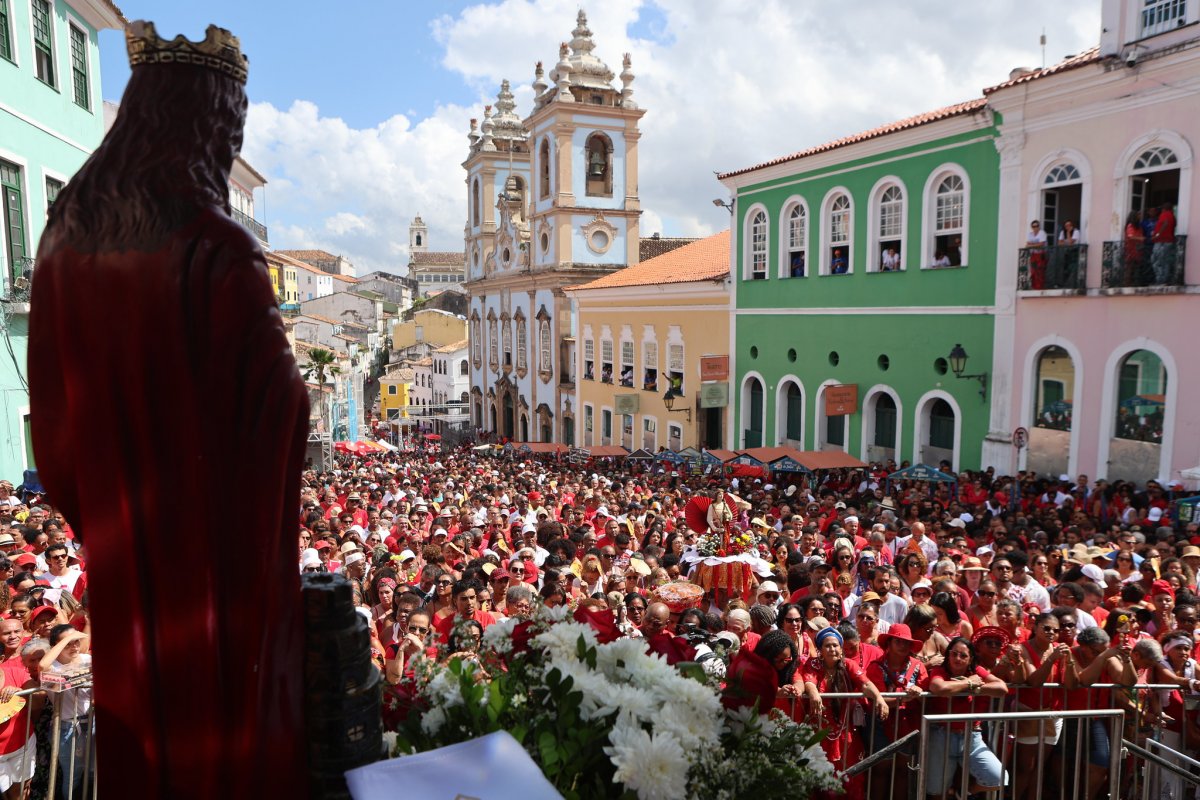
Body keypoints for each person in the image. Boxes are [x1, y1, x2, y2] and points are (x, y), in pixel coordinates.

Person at [924, 637, 1008, 798]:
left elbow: (1001, 688)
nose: (957, 658)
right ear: (948, 655)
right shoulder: (940, 671)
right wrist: (969, 683)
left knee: (997, 778)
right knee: (936, 792)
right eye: (954, 654)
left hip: (971, 737)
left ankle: (962, 794)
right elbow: (938, 687)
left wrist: (975, 689)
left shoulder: (977, 671)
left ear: (970, 659)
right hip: (942, 735)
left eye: (963, 655)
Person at [1151, 201, 1176, 284]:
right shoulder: (1172, 216)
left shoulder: (1165, 214)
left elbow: (1165, 223)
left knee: (1156, 261)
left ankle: (1160, 280)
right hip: (1168, 241)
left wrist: (1157, 234)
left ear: (1164, 209)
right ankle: (1165, 279)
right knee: (1165, 261)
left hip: (1161, 241)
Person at [1026, 219, 1048, 289]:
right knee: (1033, 271)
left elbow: (1041, 244)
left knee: (1040, 271)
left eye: (1037, 226)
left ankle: (1040, 287)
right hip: (1033, 254)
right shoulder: (1030, 234)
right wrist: (1035, 244)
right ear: (1032, 227)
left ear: (1039, 226)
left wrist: (1032, 245)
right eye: (1033, 226)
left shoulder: (1042, 233)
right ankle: (1034, 286)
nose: (1035, 228)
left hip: (1041, 254)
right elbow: (1027, 244)